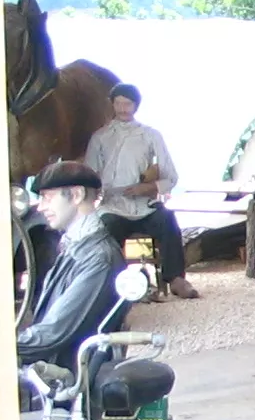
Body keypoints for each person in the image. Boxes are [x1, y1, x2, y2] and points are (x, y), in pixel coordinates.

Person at [84, 82, 197, 299]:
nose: (123, 109)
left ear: (136, 106)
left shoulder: (150, 135)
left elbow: (171, 176)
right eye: (118, 104)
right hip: (113, 206)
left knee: (167, 220)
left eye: (128, 104)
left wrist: (148, 187)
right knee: (106, 229)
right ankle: (115, 283)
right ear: (112, 105)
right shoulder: (100, 137)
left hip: (144, 205)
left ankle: (176, 278)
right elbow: (89, 175)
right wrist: (97, 194)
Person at [18, 161, 123, 371]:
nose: (41, 207)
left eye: (47, 197)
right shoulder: (76, 247)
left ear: (76, 195)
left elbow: (53, 333)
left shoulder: (98, 258)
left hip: (69, 380)